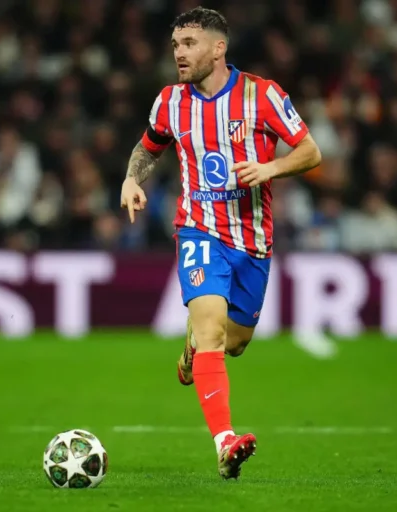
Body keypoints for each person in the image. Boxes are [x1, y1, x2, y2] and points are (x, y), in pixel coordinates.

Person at [120, 7, 321, 480]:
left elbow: (311, 151)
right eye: (175, 45)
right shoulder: (169, 101)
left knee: (235, 343)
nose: (179, 53)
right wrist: (131, 179)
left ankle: (195, 345)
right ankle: (224, 442)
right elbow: (148, 148)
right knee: (211, 327)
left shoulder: (263, 95)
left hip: (253, 239)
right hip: (198, 228)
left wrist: (270, 169)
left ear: (218, 47)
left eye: (189, 44)